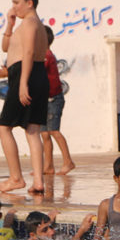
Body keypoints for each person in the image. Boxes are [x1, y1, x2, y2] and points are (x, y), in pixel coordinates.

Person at [0, 0, 49, 194]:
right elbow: (6, 47)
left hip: (26, 76)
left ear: (29, 3)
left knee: (3, 127)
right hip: (32, 75)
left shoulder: (30, 23)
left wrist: (23, 83)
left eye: (17, 3)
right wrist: (9, 23)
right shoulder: (30, 24)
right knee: (33, 130)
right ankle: (38, 182)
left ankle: (15, 177)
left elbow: (27, 53)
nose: (13, 7)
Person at [41, 26, 75, 175]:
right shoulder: (42, 54)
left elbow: (37, 70)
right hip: (44, 100)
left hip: (54, 99)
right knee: (44, 134)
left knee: (54, 131)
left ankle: (68, 161)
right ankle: (48, 166)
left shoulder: (46, 55)